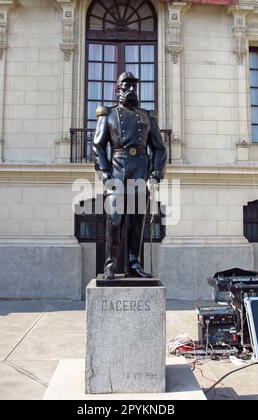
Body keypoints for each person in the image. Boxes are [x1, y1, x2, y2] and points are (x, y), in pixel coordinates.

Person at [93, 72, 167, 280]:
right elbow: (98, 146)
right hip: (117, 172)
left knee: (137, 223)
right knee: (115, 219)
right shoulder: (107, 115)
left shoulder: (146, 116)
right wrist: (105, 173)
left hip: (141, 172)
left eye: (134, 86)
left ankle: (134, 264)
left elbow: (160, 149)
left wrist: (156, 174)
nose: (131, 90)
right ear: (117, 90)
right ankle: (110, 264)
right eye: (126, 86)